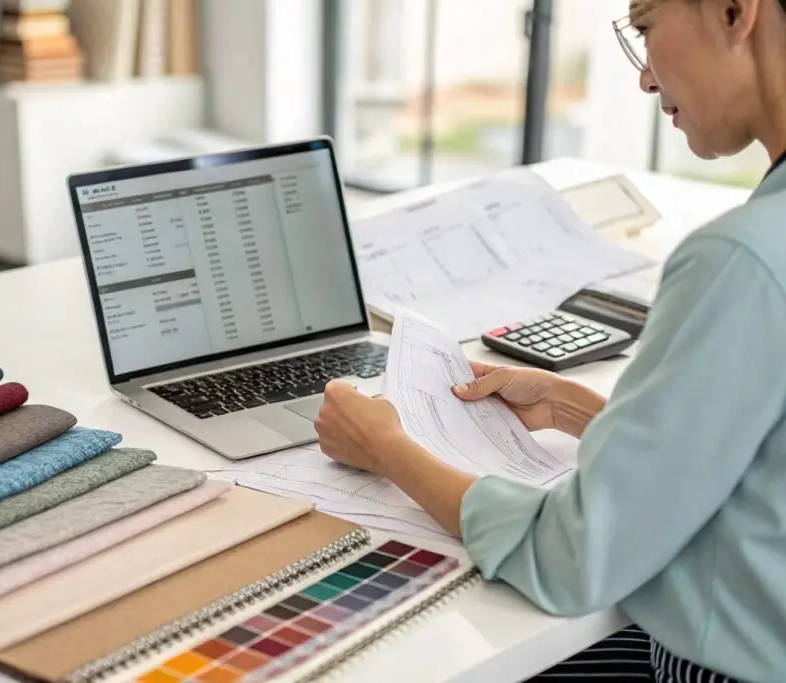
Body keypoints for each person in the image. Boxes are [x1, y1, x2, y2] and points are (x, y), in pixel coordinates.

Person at [314, 0, 786, 680]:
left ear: (737, 11)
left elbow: (573, 557)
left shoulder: (743, 261)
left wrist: (388, 448)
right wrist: (571, 406)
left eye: (646, 27)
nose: (646, 81)